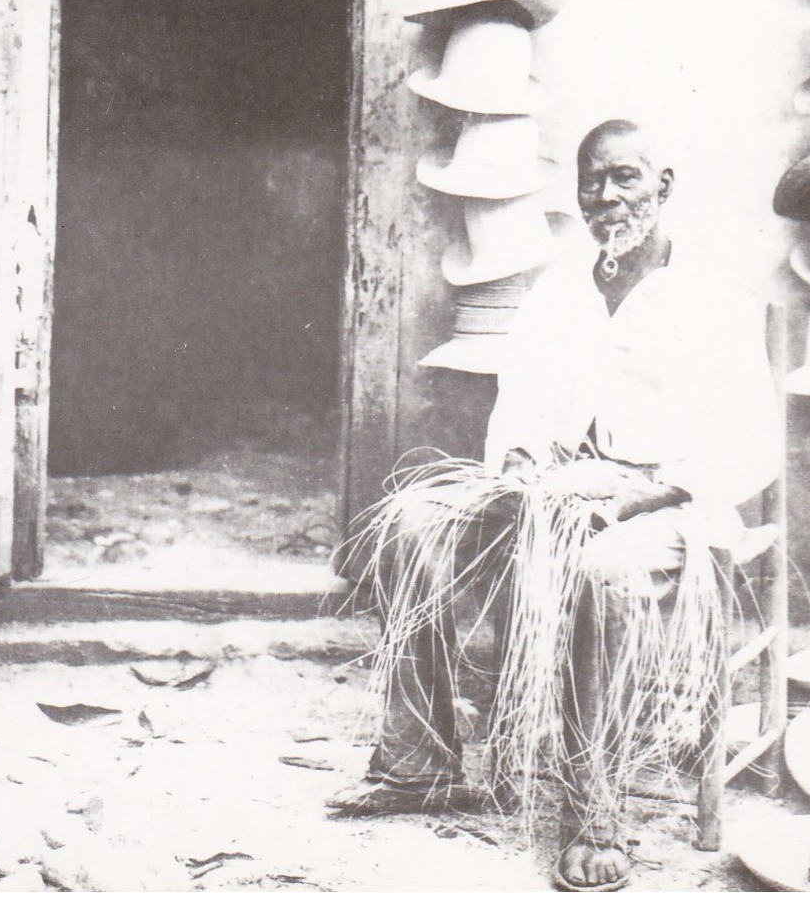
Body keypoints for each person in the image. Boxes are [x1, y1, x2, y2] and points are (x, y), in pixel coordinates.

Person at [328, 120, 781, 891]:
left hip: (665, 506)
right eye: (589, 181)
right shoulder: (560, 288)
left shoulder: (716, 296)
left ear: (662, 186)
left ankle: (592, 804)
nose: (605, 197)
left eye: (624, 178)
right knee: (410, 525)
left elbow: (749, 442)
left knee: (598, 569)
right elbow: (520, 408)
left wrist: (636, 495)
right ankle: (418, 761)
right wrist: (520, 470)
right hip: (558, 489)